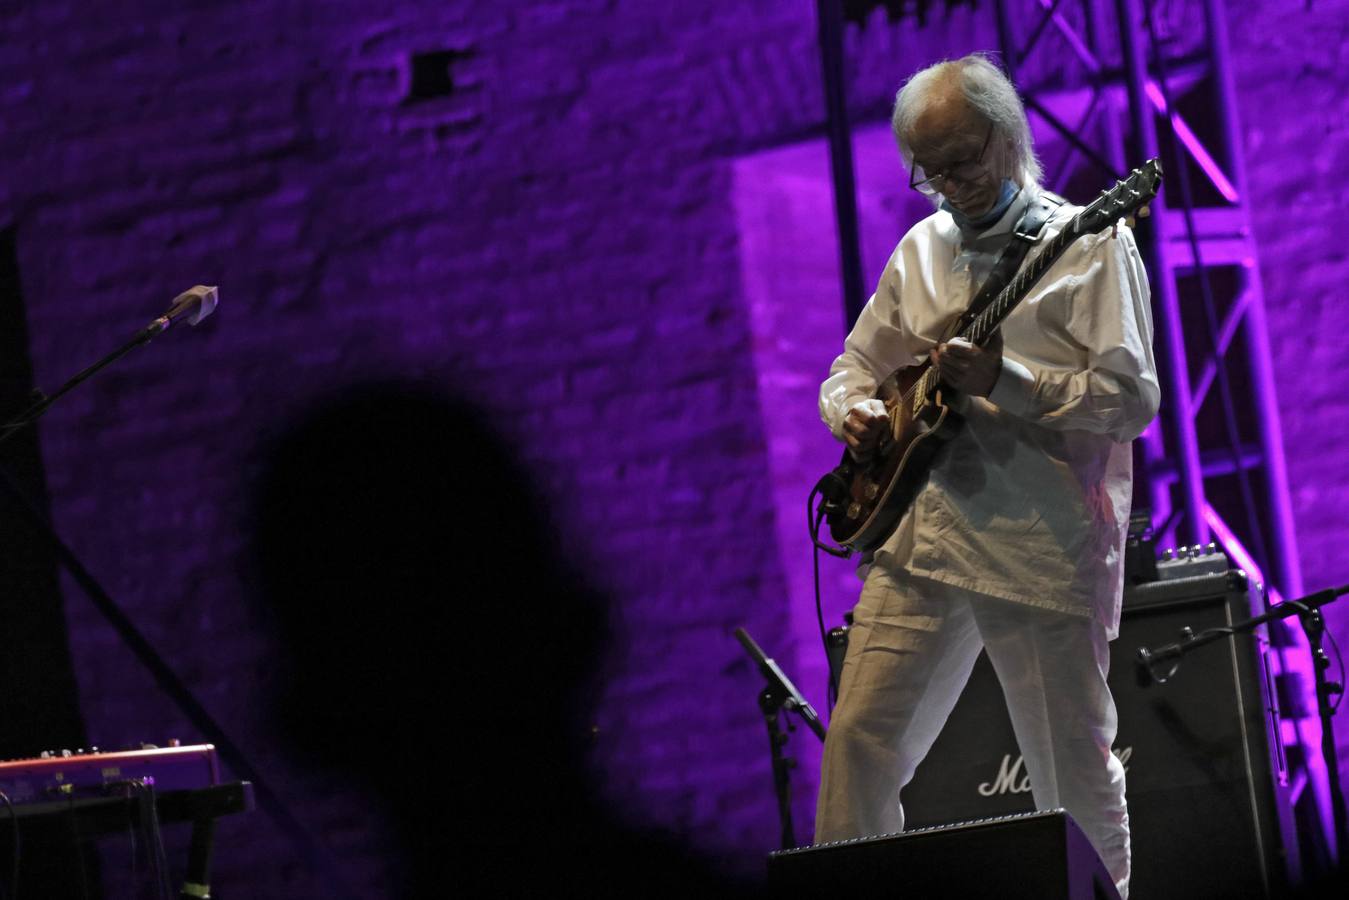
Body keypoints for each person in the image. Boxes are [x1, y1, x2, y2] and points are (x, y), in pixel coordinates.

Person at [813, 54, 1159, 899]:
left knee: (1070, 778)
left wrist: (1004, 382)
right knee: (857, 747)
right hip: (920, 537)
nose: (943, 185)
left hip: (1038, 546)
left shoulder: (1090, 244)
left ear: (1007, 140)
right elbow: (852, 368)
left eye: (960, 161)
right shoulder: (920, 249)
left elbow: (1127, 400)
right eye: (925, 171)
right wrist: (851, 412)